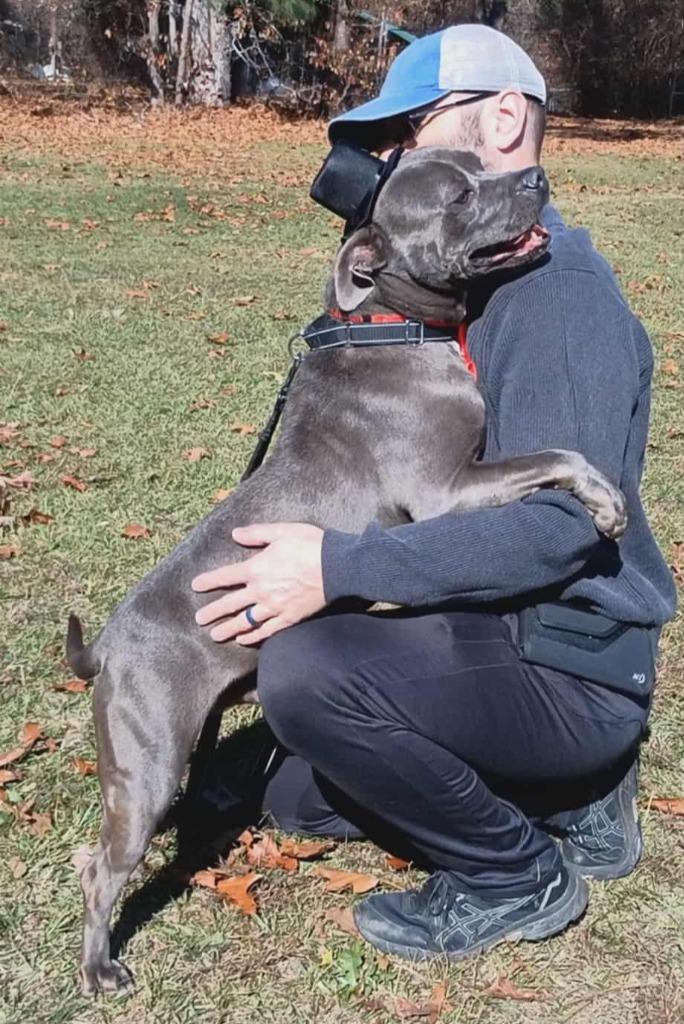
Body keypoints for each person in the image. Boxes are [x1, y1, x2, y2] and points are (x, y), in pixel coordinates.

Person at [191, 25, 676, 960]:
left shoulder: (556, 297)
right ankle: (570, 795)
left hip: (571, 656)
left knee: (307, 678)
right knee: (294, 791)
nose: (395, 156)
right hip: (501, 628)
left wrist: (340, 568)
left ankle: (517, 873)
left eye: (414, 127)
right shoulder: (475, 274)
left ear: (503, 118)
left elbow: (557, 530)